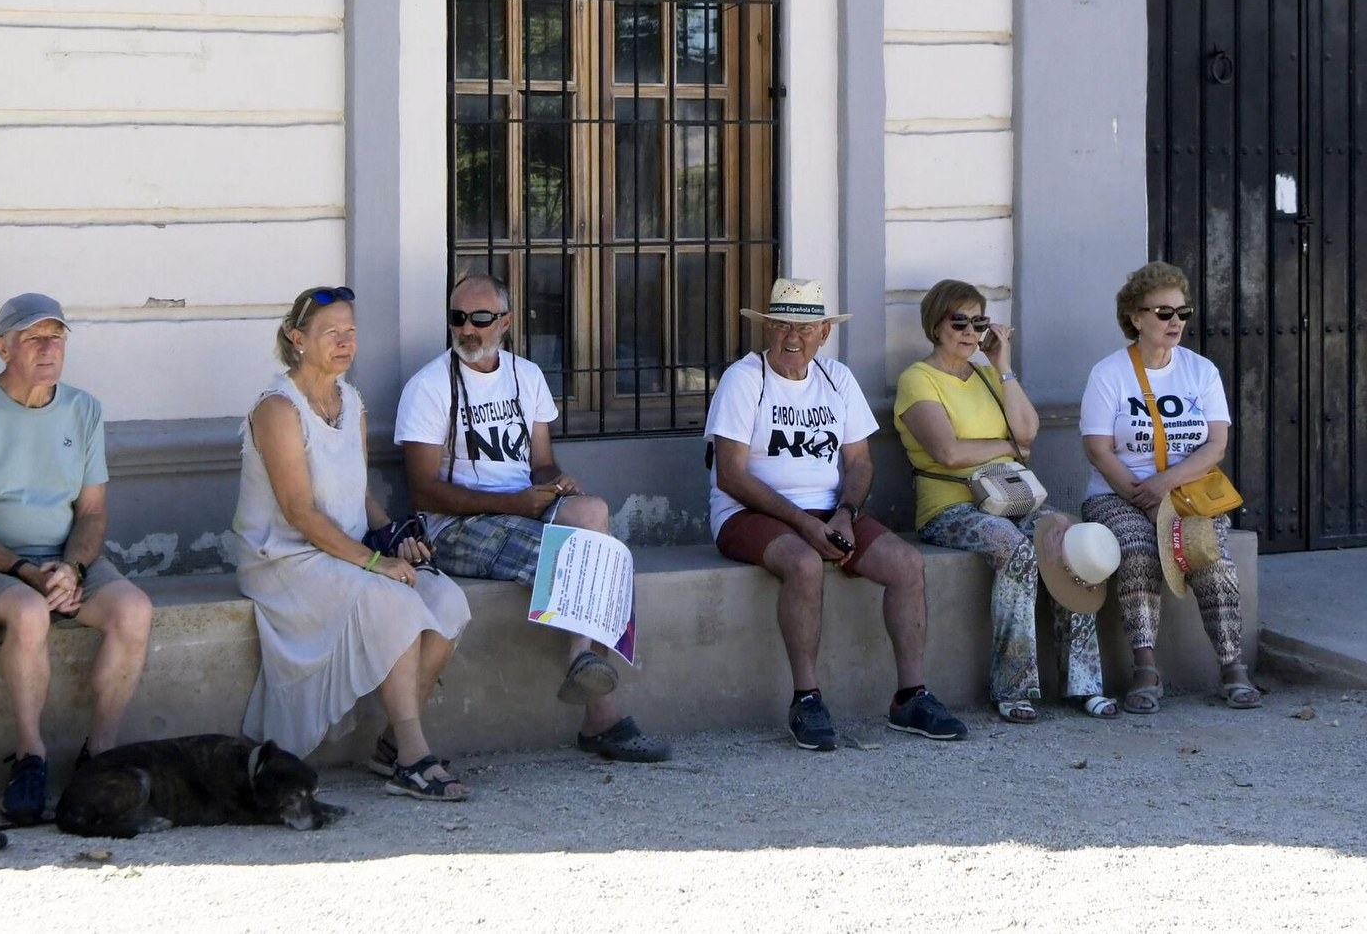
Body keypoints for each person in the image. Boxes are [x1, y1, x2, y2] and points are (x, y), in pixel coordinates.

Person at [394, 275, 670, 763]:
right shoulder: (429, 387)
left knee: (594, 514)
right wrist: (513, 503)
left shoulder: (526, 376)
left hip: (522, 508)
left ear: (505, 321)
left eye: (480, 319)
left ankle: (582, 659)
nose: (467, 329)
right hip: (454, 528)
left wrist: (555, 484)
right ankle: (601, 714)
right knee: (582, 555)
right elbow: (422, 490)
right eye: (458, 318)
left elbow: (540, 463)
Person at [705, 277, 967, 750]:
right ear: (767, 329)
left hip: (829, 511)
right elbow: (730, 475)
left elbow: (860, 461)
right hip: (747, 512)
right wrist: (805, 523)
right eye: (783, 326)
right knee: (804, 563)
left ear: (824, 333)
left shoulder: (836, 377)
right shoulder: (744, 378)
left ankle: (911, 696)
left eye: (806, 329)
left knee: (907, 563)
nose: (793, 337)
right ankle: (805, 698)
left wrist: (845, 513)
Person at [234, 286, 474, 800]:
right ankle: (414, 757)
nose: (345, 342)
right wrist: (374, 563)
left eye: (351, 331)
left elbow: (359, 492)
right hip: (286, 557)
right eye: (331, 333)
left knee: (447, 600)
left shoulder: (351, 401)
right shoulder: (278, 409)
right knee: (394, 601)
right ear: (297, 338)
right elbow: (299, 512)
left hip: (346, 550)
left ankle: (390, 746)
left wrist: (394, 539)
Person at [0, 293, 154, 824]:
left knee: (134, 610)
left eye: (56, 336)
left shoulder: (84, 409)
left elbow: (92, 512)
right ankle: (30, 756)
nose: (48, 348)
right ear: (3, 347)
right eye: (33, 337)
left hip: (65, 559)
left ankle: (100, 757)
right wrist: (27, 573)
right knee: (30, 614)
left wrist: (72, 569)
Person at [896, 280, 1116, 724]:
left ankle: (1085, 683)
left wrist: (1003, 365)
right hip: (951, 507)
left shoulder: (985, 375)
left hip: (1012, 497)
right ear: (935, 325)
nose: (970, 332)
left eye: (978, 322)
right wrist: (1008, 448)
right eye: (959, 321)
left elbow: (1028, 431)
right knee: (1015, 549)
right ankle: (1013, 687)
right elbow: (948, 452)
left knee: (1069, 541)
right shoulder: (918, 379)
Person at [1079, 261, 1258, 713]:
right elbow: (1098, 449)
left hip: (1185, 492)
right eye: (1163, 312)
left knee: (1208, 555)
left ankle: (1232, 665)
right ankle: (1145, 668)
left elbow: (1216, 445)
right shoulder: (1109, 374)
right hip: (1117, 494)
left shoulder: (1201, 371)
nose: (1175, 321)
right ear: (1135, 318)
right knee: (1138, 551)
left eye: (1182, 312)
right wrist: (1141, 495)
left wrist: (1165, 485)